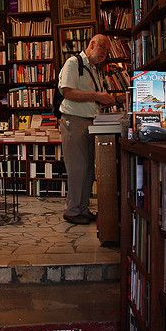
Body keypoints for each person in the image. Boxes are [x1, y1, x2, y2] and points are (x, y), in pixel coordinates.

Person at [58, 34, 115, 225]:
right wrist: (97, 96)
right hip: (74, 121)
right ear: (91, 45)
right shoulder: (73, 63)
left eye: (107, 51)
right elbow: (67, 91)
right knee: (77, 168)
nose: (104, 54)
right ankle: (73, 210)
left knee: (88, 168)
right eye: (102, 49)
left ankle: (82, 208)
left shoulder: (93, 69)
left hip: (90, 121)